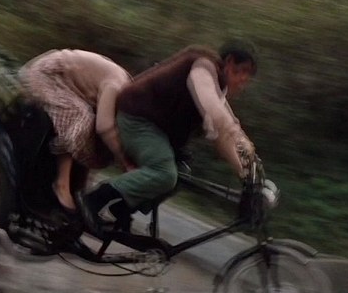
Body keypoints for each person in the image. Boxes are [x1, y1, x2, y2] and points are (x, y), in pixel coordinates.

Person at [77, 41, 257, 233]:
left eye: (248, 76)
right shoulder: (204, 66)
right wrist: (236, 136)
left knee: (180, 174)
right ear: (229, 62)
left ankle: (123, 207)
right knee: (164, 173)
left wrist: (245, 173)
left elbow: (222, 135)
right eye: (243, 71)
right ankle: (93, 201)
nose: (244, 80)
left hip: (154, 129)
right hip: (135, 119)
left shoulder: (218, 88)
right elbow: (215, 110)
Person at [19, 49, 133, 211]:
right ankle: (62, 185)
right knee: (81, 119)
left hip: (67, 84)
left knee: (94, 136)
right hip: (47, 75)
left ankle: (79, 189)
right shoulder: (117, 86)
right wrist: (124, 160)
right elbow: (105, 127)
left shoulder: (127, 89)